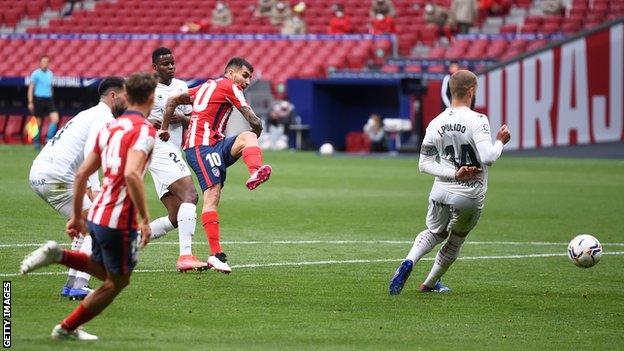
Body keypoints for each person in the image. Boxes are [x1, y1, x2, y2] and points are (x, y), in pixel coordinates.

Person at [20, 72, 158, 341]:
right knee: (116, 281)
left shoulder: (109, 127)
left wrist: (76, 216)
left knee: (109, 273)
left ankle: (62, 266)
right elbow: (130, 173)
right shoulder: (137, 128)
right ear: (151, 98)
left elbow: (83, 171)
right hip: (115, 214)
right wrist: (145, 217)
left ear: (127, 95)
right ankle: (68, 314)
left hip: (87, 203)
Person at [388, 70, 511, 295]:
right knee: (456, 238)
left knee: (435, 231)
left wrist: (453, 174)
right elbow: (489, 157)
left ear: (450, 91)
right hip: (469, 194)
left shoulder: (436, 122)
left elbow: (423, 164)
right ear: (472, 91)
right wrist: (500, 142)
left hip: (440, 190)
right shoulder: (478, 120)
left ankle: (409, 260)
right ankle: (430, 283)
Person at [158, 57, 271, 274]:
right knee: (213, 193)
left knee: (246, 138)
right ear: (230, 73)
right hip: (200, 147)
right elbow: (253, 119)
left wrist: (164, 127)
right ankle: (216, 254)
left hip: (215, 144)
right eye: (245, 75)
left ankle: (255, 171)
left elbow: (172, 100)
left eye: (250, 78)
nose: (247, 82)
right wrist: (258, 131)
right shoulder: (230, 86)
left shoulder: (206, 86)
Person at [29, 76, 128, 301]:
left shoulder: (88, 114)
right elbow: (90, 155)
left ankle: (72, 285)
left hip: (41, 173)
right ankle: (78, 286)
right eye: (125, 96)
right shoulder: (104, 118)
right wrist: (92, 189)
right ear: (113, 96)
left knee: (86, 227)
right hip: (57, 175)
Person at [147, 48, 206, 272]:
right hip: (157, 147)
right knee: (190, 195)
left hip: (171, 150)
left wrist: (181, 117)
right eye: (165, 64)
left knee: (175, 215)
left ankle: (127, 245)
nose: (171, 67)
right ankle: (186, 256)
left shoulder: (182, 87)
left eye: (172, 63)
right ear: (155, 68)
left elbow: (193, 119)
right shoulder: (148, 89)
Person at [28, 55, 59, 149]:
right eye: (43, 62)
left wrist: (52, 97)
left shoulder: (50, 74)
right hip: (38, 99)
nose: (45, 63)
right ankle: (36, 142)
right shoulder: (35, 74)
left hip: (49, 100)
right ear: (40, 63)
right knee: (38, 123)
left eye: (46, 62)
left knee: (55, 119)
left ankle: (48, 139)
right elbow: (31, 87)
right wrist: (30, 101)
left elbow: (50, 87)